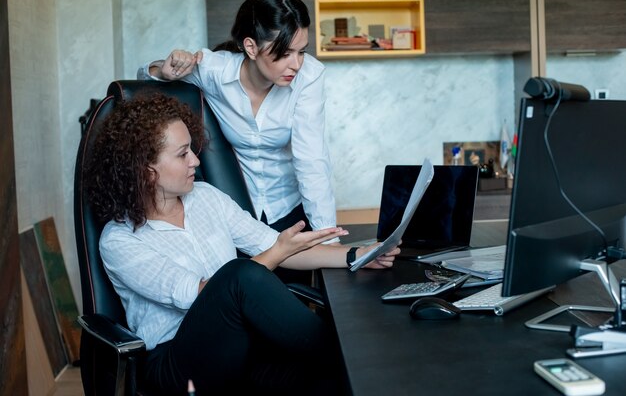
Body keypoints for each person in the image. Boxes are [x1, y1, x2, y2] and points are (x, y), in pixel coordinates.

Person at [85, 92, 397, 395]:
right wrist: (276, 253)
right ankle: (355, 351)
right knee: (238, 275)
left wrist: (357, 254)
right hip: (178, 364)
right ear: (147, 170)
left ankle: (352, 360)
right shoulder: (119, 240)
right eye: (182, 154)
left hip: (240, 348)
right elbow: (201, 293)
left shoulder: (205, 197)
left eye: (192, 149)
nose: (195, 160)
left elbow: (276, 245)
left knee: (328, 381)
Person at [137, 0, 335, 245]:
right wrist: (164, 68)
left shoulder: (309, 76)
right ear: (251, 47)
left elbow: (312, 161)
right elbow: (146, 81)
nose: (296, 64)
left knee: (297, 280)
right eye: (285, 53)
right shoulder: (215, 71)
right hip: (237, 209)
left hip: (289, 208)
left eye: (301, 52)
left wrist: (329, 239)